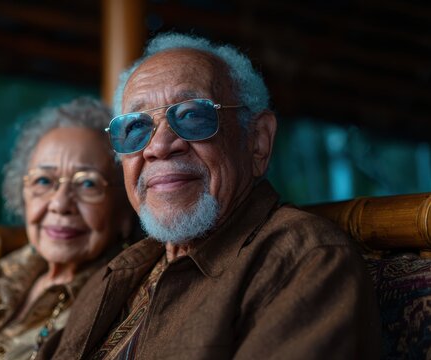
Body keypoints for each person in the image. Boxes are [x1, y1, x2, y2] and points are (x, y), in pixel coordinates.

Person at [41, 33, 381, 359]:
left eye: (192, 115)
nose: (159, 147)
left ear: (258, 141)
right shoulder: (117, 274)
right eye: (136, 127)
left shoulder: (304, 260)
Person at [0, 97, 135, 360]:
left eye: (88, 184)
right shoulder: (2, 276)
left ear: (125, 207)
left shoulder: (120, 302)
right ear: (23, 193)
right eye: (43, 180)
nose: (60, 204)